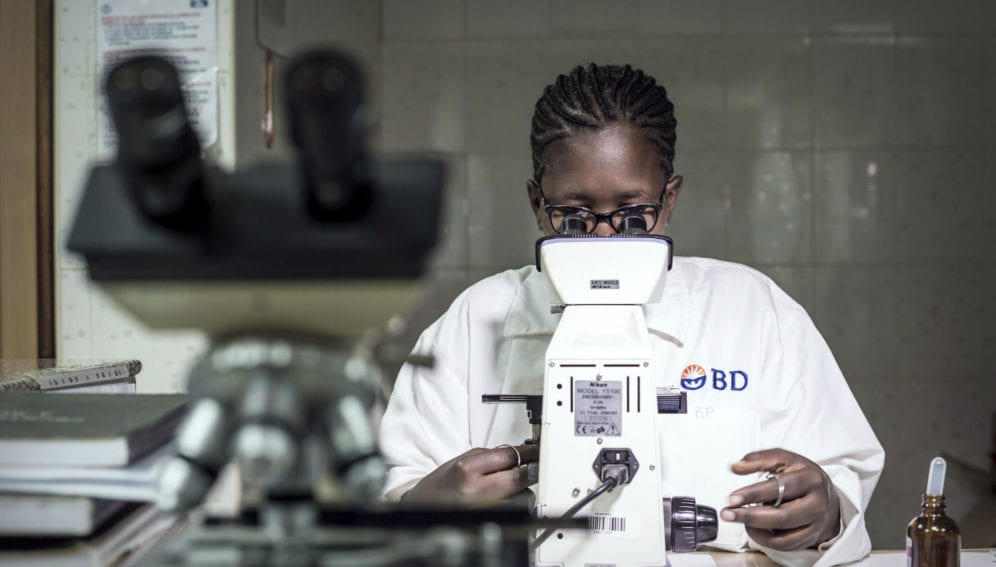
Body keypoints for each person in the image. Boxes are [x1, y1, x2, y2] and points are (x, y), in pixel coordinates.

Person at [377, 63, 884, 567]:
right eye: (574, 219)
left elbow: (840, 485)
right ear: (537, 203)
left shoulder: (752, 310)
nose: (604, 241)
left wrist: (824, 515)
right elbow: (386, 507)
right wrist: (419, 508)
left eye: (633, 217)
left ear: (668, 202)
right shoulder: (476, 318)